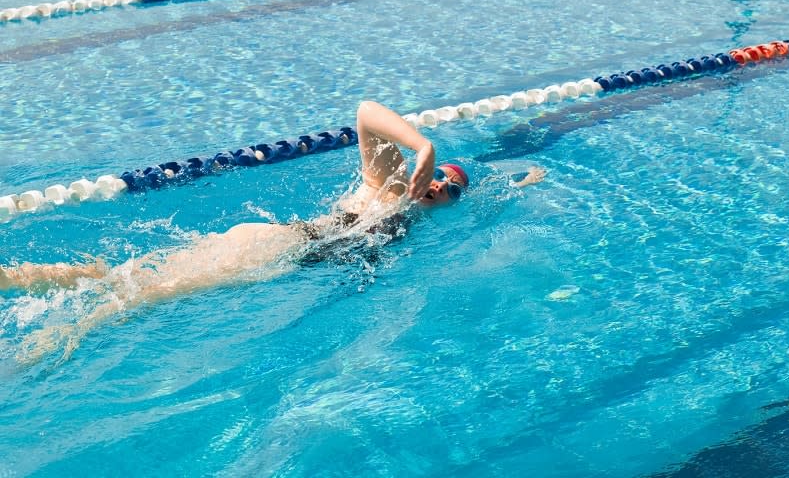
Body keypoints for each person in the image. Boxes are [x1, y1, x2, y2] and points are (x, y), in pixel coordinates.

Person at [1, 101, 544, 362]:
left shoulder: (418, 217)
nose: (439, 189)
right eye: (440, 179)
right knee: (142, 296)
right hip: (277, 246)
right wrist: (422, 146)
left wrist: (518, 184)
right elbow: (366, 113)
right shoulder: (390, 189)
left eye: (449, 189)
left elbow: (484, 199)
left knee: (125, 277)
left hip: (278, 254)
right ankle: (44, 347)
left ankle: (12, 278)